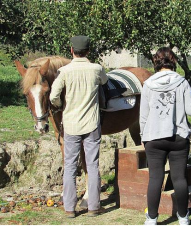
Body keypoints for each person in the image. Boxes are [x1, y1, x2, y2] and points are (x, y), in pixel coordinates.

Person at [139, 47, 191, 225]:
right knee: (179, 178)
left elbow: (143, 116)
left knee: (155, 178)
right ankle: (183, 217)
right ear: (173, 61)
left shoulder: (148, 84)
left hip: (154, 138)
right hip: (178, 137)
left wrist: (144, 137)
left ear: (156, 61)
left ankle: (151, 218)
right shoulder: (182, 82)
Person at [50, 35, 108, 218]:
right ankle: (93, 207)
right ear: (88, 51)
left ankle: (69, 208)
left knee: (70, 166)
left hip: (71, 125)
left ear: (71, 51)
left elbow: (53, 96)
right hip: (91, 124)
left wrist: (60, 105)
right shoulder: (96, 69)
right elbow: (105, 82)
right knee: (92, 165)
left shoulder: (64, 71)